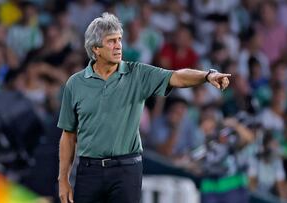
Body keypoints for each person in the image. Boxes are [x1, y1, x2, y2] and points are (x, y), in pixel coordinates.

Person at [57, 12, 231, 203]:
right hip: (89, 170)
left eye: (119, 40)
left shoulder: (137, 74)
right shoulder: (75, 84)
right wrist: (63, 179)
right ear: (96, 48)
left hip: (126, 169)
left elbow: (177, 76)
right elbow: (68, 135)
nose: (118, 46)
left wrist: (207, 76)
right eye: (111, 41)